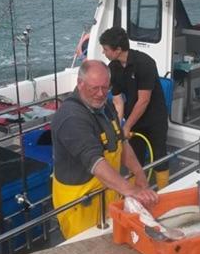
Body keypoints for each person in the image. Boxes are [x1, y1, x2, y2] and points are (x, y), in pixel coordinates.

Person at [51, 60, 158, 240]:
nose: (101, 94)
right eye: (94, 88)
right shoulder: (71, 117)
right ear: (80, 83)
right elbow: (95, 162)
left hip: (106, 194)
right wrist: (131, 191)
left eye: (105, 87)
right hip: (80, 204)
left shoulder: (105, 106)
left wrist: (140, 175)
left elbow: (121, 142)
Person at [99, 26, 170, 189]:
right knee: (135, 159)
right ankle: (138, 193)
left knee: (159, 156)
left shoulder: (145, 63)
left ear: (117, 50)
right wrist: (118, 126)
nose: (104, 53)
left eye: (105, 49)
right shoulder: (113, 68)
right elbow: (118, 101)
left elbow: (143, 100)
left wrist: (127, 125)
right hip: (134, 119)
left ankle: (165, 190)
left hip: (154, 119)